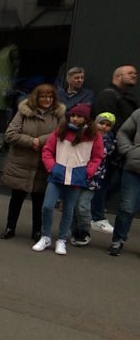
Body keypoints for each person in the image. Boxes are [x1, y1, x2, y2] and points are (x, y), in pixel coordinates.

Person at [33, 104, 103, 255]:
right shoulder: (61, 131)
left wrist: (87, 172)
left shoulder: (94, 135)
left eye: (79, 116)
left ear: (86, 119)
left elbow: (97, 156)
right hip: (57, 174)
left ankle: (62, 240)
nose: (75, 119)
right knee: (47, 206)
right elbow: (47, 150)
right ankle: (45, 237)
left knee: (68, 210)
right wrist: (52, 167)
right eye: (73, 115)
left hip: (77, 177)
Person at [0, 84, 65, 241]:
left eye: (50, 97)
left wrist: (40, 141)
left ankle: (37, 231)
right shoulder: (24, 112)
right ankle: (10, 227)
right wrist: (30, 141)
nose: (47, 99)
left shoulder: (59, 115)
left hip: (44, 164)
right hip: (21, 162)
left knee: (39, 201)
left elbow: (61, 134)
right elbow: (10, 134)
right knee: (16, 198)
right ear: (36, 97)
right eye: (43, 96)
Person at [90, 64, 138, 233]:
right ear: (118, 76)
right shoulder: (108, 96)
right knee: (102, 181)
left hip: (123, 151)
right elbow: (106, 125)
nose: (134, 75)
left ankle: (94, 210)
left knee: (114, 183)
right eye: (130, 73)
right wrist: (114, 146)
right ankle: (95, 216)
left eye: (135, 73)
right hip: (110, 149)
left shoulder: (128, 98)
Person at [70, 112, 116, 247]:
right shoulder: (84, 134)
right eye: (101, 123)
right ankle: (75, 231)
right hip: (78, 175)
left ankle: (84, 230)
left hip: (93, 179)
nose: (104, 127)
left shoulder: (110, 142)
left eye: (108, 125)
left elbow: (100, 153)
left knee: (83, 206)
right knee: (73, 205)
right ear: (95, 123)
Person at [108, 106, 140, 256]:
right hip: (134, 168)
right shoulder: (139, 113)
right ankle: (118, 240)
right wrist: (128, 150)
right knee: (127, 207)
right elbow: (123, 132)